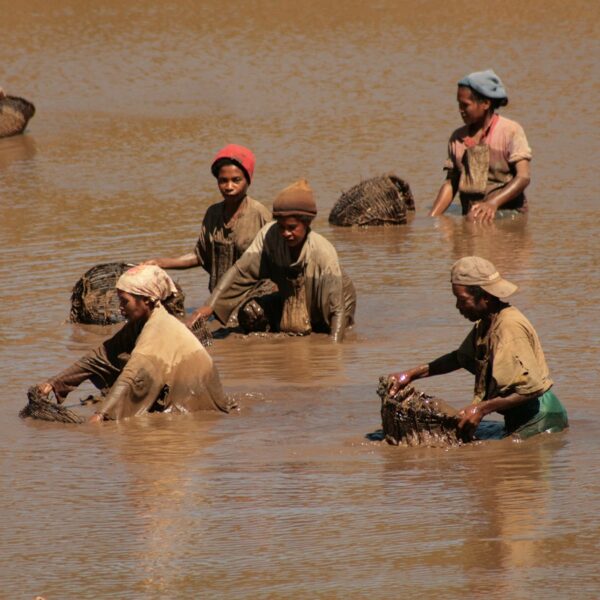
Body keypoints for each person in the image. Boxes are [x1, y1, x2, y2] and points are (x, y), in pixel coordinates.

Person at [388, 256, 568, 441]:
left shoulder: (509, 328)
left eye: (462, 300)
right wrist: (410, 375)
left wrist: (480, 409)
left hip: (542, 418)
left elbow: (531, 389)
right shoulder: (487, 323)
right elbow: (458, 358)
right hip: (520, 415)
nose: (458, 306)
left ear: (485, 297)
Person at [36, 265, 231, 422]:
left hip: (197, 399)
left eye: (125, 302)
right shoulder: (142, 322)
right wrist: (55, 383)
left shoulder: (158, 329)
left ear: (146, 300)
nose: (120, 308)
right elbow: (102, 355)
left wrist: (101, 415)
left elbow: (131, 376)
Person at [190, 180, 356, 342]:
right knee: (249, 312)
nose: (285, 233)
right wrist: (209, 306)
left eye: (292, 228)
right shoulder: (269, 236)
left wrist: (334, 348)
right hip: (291, 298)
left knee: (323, 331)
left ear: (307, 224)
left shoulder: (323, 252)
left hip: (332, 302)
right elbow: (240, 271)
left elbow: (338, 310)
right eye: (281, 227)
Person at [143, 144, 272, 323]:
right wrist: (159, 262)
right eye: (223, 180)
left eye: (236, 180)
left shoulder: (260, 214)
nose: (229, 186)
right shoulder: (213, 214)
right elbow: (200, 256)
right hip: (218, 302)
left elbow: (277, 262)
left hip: (252, 300)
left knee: (250, 316)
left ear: (248, 180)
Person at [429, 70, 532, 223]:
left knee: (472, 220)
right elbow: (451, 183)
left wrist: (493, 203)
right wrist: (431, 218)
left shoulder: (511, 131)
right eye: (458, 104)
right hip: (474, 213)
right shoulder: (457, 138)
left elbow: (523, 177)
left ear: (485, 103)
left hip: (508, 212)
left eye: (465, 105)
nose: (460, 110)